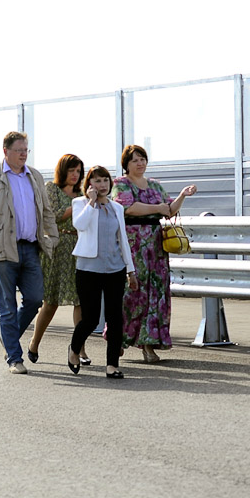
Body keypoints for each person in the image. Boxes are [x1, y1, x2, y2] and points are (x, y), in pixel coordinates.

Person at [0, 131, 59, 374]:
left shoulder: (34, 176)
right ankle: (14, 358)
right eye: (19, 150)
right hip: (3, 249)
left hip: (30, 247)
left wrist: (53, 238)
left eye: (25, 150)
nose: (23, 154)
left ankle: (8, 338)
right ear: (6, 151)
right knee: (7, 306)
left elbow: (46, 211)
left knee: (35, 299)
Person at [112, 145, 197, 362]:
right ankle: (119, 337)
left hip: (156, 246)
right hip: (133, 244)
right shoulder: (120, 184)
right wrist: (157, 208)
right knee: (131, 292)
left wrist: (182, 195)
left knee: (156, 293)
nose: (140, 163)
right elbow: (128, 208)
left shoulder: (155, 185)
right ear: (126, 164)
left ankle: (148, 345)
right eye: (135, 160)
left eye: (142, 159)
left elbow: (169, 210)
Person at [68, 166, 138, 379]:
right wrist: (91, 202)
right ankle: (74, 349)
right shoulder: (80, 203)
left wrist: (130, 270)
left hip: (115, 268)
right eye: (97, 181)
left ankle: (112, 365)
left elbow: (123, 240)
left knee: (115, 317)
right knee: (90, 318)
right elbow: (80, 225)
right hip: (88, 269)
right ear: (89, 184)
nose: (102, 185)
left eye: (105, 180)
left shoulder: (117, 207)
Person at [28, 154, 88, 364]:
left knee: (80, 301)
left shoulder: (82, 193)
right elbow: (52, 215)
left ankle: (79, 349)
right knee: (51, 302)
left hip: (78, 248)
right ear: (62, 171)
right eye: (71, 170)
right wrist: (79, 206)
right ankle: (34, 342)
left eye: (78, 171)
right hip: (57, 247)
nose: (75, 175)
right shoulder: (51, 188)